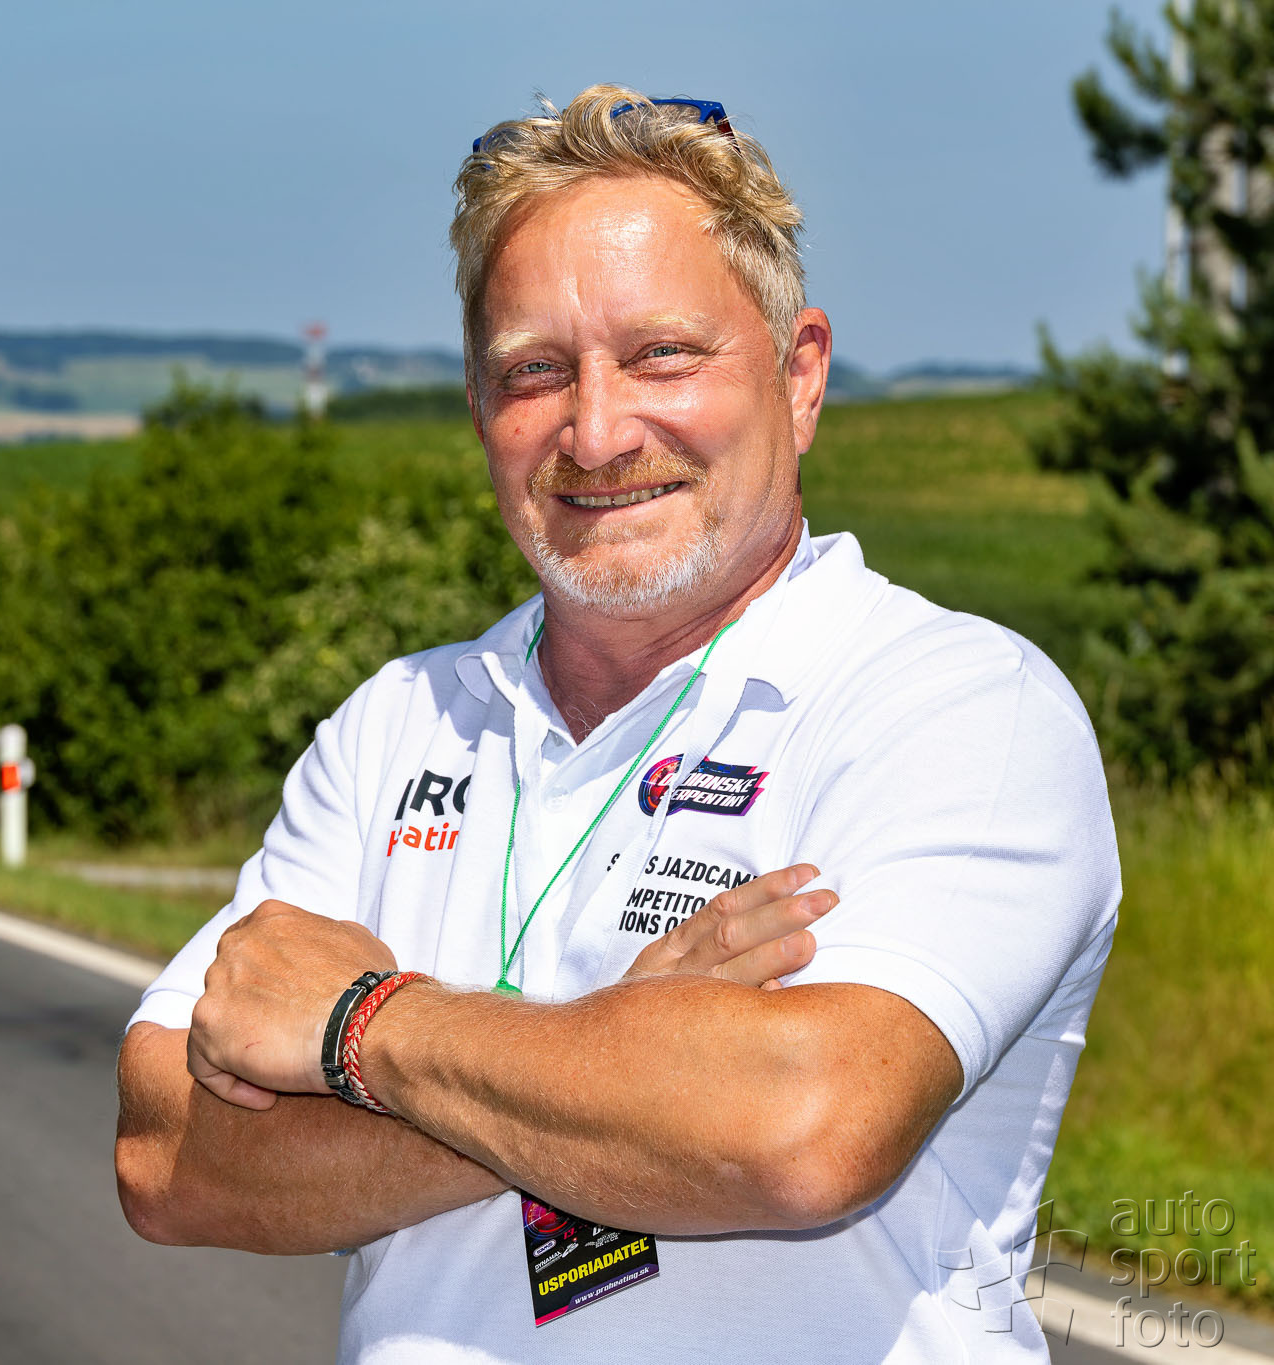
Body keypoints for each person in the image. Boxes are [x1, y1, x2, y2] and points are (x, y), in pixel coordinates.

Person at [114, 84, 1119, 1363]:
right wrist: (619, 1062)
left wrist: (362, 1027)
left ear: (799, 374)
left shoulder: (955, 705)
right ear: (477, 406)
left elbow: (801, 1133)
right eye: (533, 371)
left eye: (661, 356)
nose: (594, 432)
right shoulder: (394, 726)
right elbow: (168, 1160)